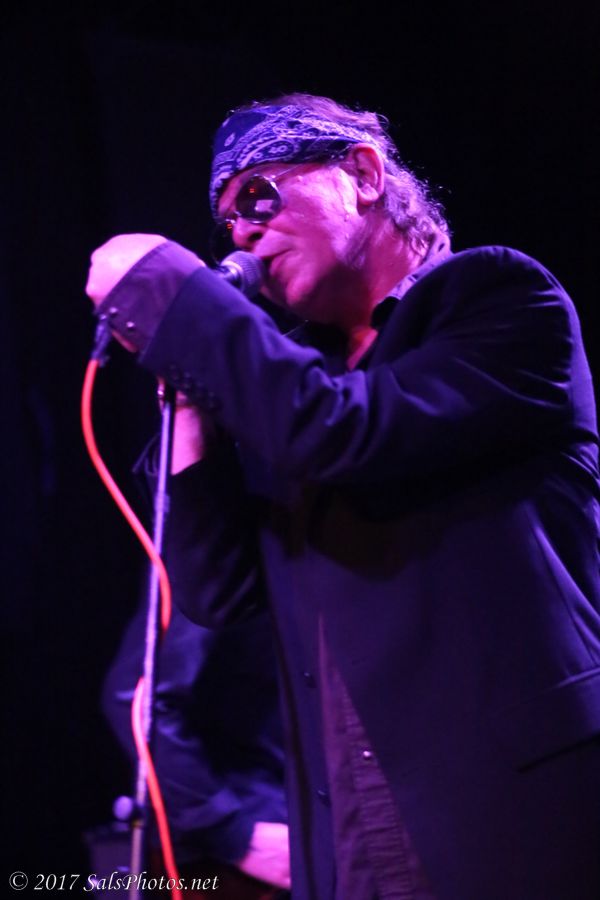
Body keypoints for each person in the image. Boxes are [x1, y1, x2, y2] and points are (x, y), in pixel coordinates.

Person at [85, 93, 600, 900]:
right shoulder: (295, 382)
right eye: (227, 222)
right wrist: (188, 395)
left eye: (258, 196)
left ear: (361, 173)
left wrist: (172, 296)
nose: (241, 233)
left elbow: (348, 433)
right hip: (352, 832)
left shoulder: (498, 300)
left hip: (510, 814)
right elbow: (217, 589)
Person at [102, 592, 290, 897]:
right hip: (235, 860)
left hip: (300, 832)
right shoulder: (214, 567)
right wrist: (233, 833)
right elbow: (140, 702)